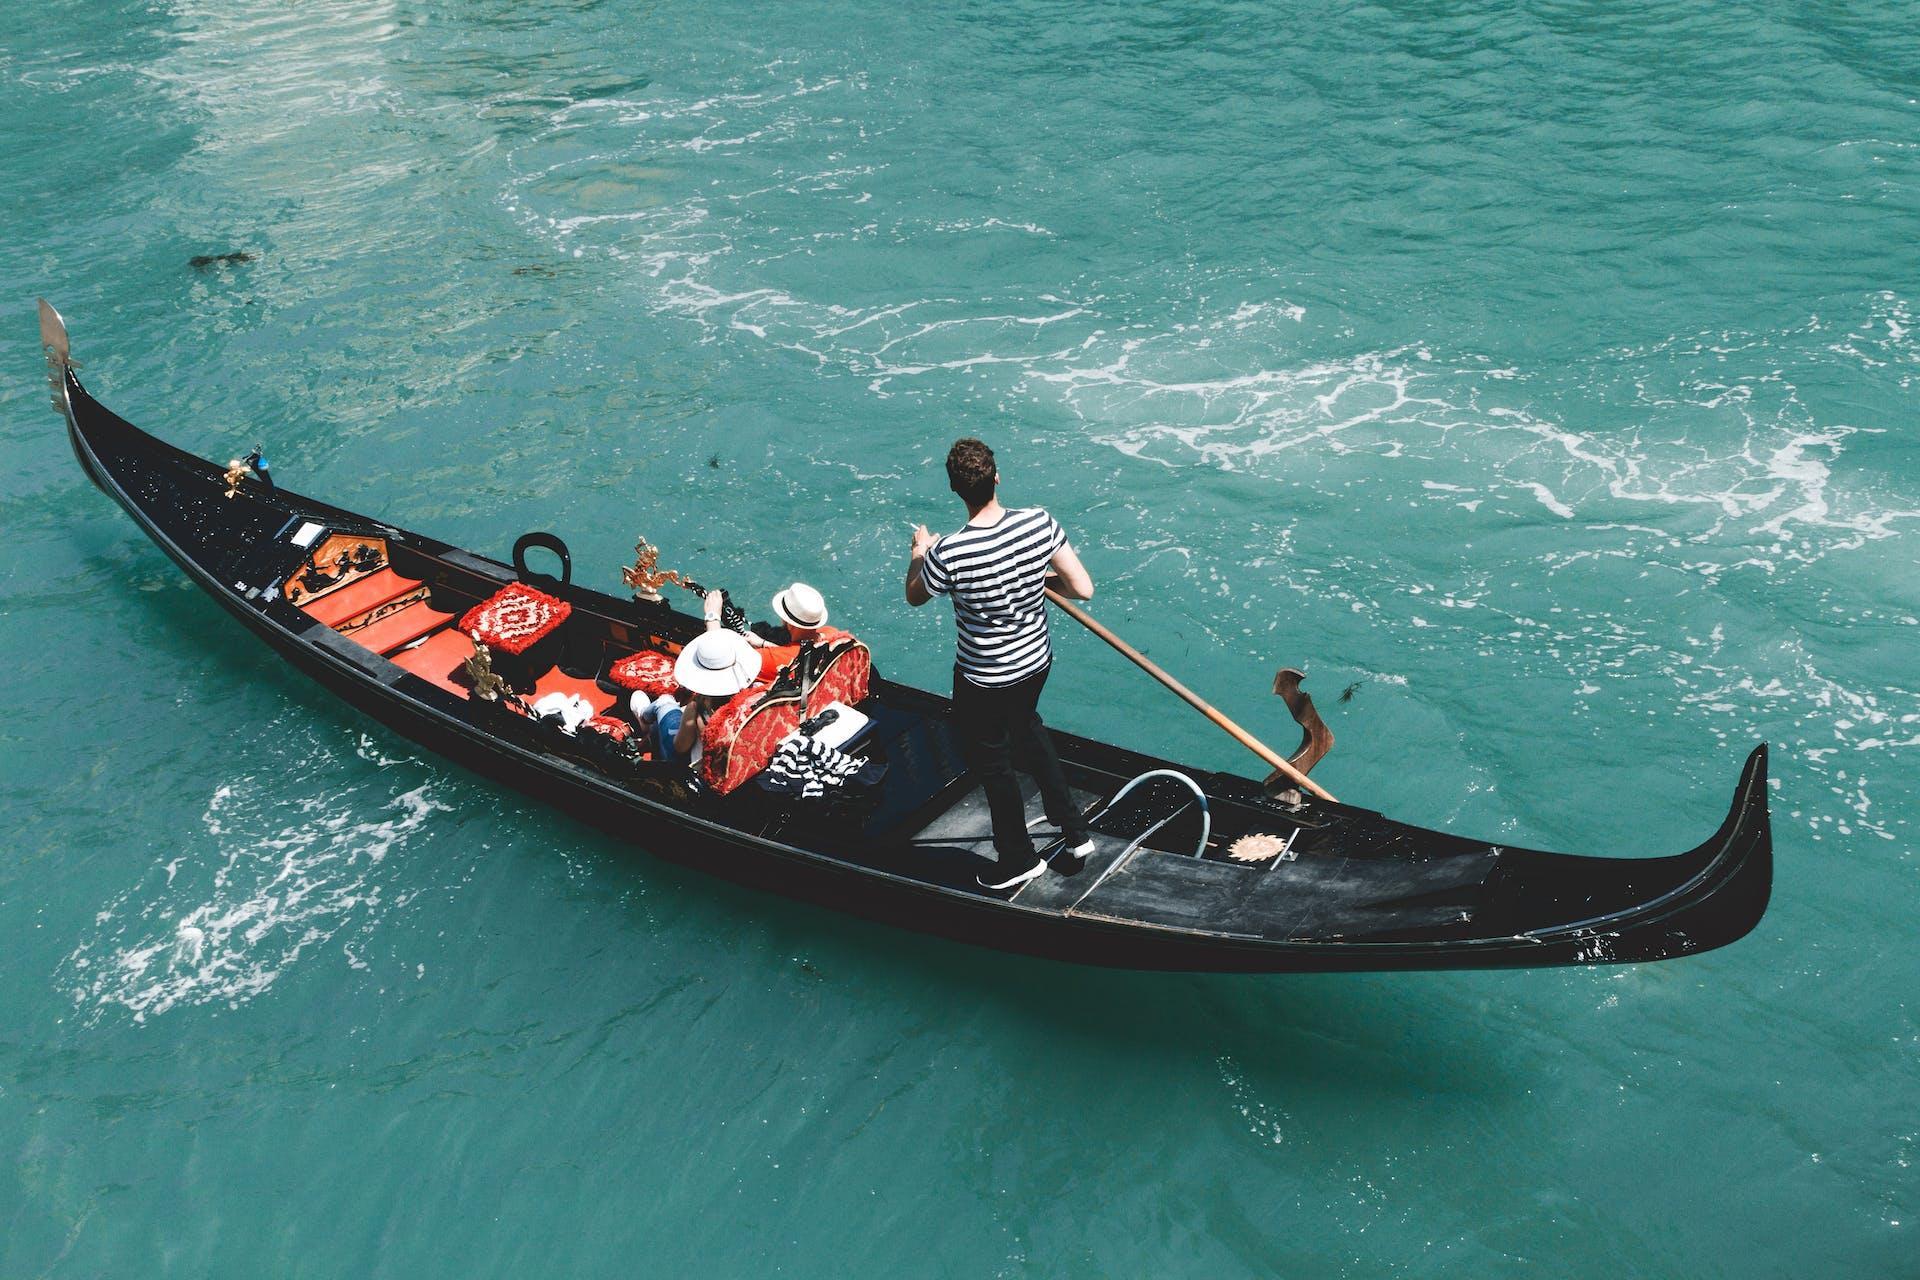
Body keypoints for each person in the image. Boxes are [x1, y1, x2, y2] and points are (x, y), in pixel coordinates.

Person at [905, 437, 1096, 890]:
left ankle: (1017, 858)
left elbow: (915, 595)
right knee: (1029, 727)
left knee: (993, 764)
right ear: (997, 477)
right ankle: (1075, 831)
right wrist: (1031, 576)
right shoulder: (1038, 522)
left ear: (955, 490)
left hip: (984, 679)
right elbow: (1081, 588)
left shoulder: (947, 552)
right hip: (1035, 662)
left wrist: (918, 553)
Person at [636, 594, 761, 767]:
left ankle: (644, 718)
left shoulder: (697, 710)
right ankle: (649, 723)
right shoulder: (753, 696)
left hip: (696, 769)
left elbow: (680, 748)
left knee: (665, 701)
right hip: (734, 767)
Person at [746, 582, 849, 680]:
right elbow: (797, 653)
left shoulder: (767, 659)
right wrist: (764, 643)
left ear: (790, 623)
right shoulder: (832, 633)